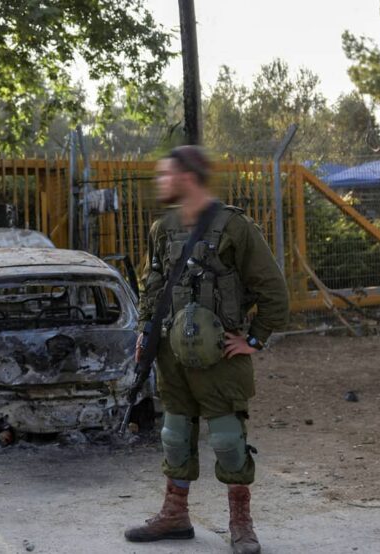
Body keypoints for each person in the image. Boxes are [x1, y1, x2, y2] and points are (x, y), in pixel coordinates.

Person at [124, 146, 289, 554]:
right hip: (171, 356)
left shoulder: (235, 227)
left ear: (189, 177)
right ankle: (175, 515)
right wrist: (146, 330)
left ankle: (241, 523)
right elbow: (153, 284)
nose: (161, 182)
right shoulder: (162, 228)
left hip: (220, 358)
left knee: (228, 440)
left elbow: (274, 291)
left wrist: (253, 339)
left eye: (168, 175)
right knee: (174, 435)